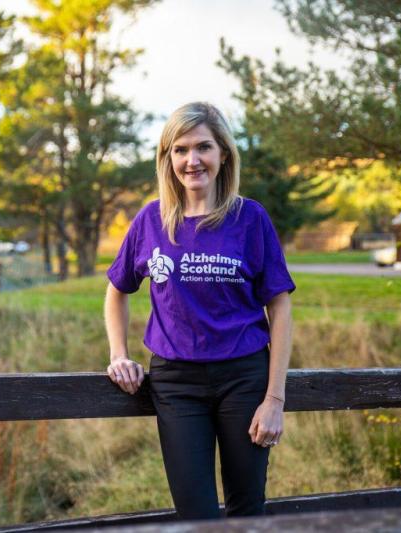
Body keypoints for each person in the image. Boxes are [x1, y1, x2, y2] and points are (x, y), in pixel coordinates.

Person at [103, 101, 295, 520]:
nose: (192, 160)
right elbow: (117, 291)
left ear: (223, 153)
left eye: (203, 147)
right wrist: (119, 355)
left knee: (247, 510)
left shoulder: (250, 218)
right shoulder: (150, 221)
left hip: (244, 377)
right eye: (180, 149)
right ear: (167, 158)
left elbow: (280, 305)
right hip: (176, 384)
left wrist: (274, 399)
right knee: (195, 515)